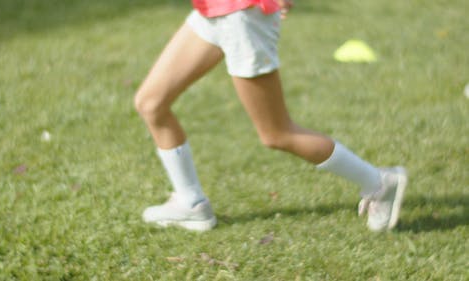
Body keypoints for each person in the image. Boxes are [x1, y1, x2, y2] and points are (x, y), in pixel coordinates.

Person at [134, 0, 407, 232]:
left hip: (242, 15)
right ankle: (191, 203)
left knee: (277, 133)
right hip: (212, 8)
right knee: (151, 103)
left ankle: (379, 182)